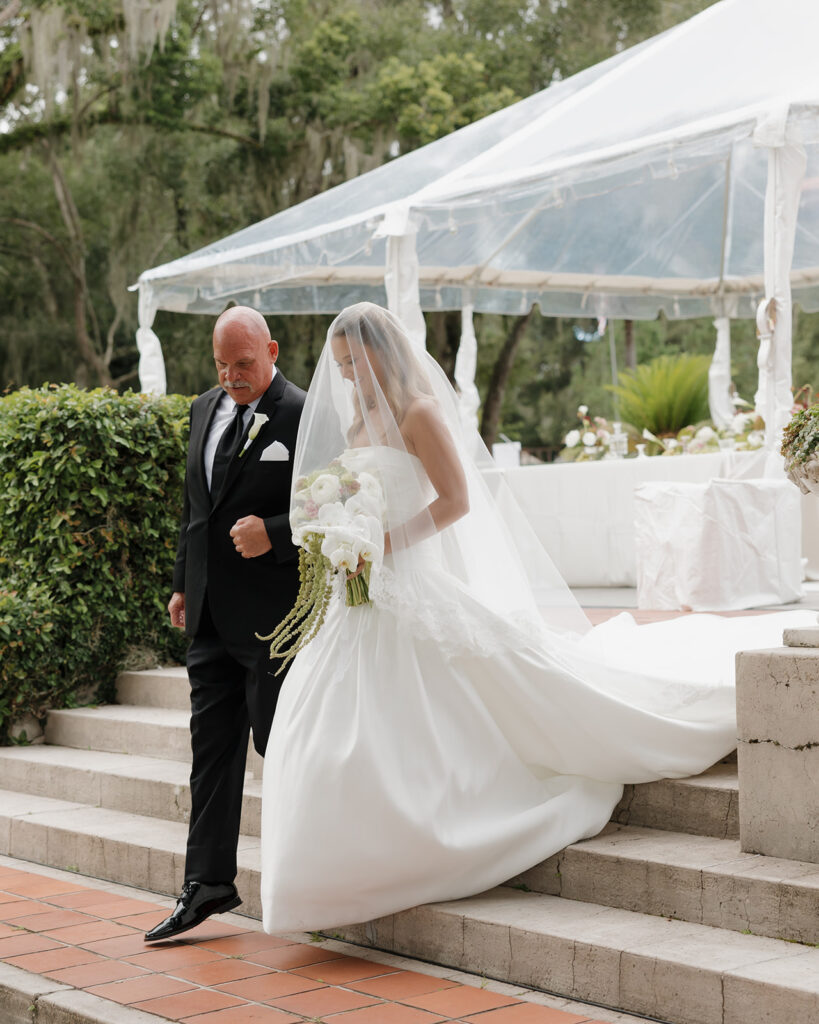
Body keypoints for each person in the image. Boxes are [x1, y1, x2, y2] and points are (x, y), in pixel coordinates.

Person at [258, 301, 812, 933]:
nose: (348, 377)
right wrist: (340, 533)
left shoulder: (420, 414)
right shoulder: (358, 424)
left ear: (382, 351)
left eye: (354, 362)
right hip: (358, 597)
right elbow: (352, 498)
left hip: (410, 580)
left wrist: (384, 542)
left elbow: (457, 501)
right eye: (341, 366)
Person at [145, 306, 306, 943]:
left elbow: (337, 507)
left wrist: (274, 533)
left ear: (271, 348)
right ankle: (207, 882)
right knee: (210, 751)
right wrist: (185, 582)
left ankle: (316, 874)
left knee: (280, 745)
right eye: (222, 366)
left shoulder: (304, 413)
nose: (233, 378)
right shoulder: (203, 409)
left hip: (274, 621)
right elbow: (197, 507)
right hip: (209, 614)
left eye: (244, 364)